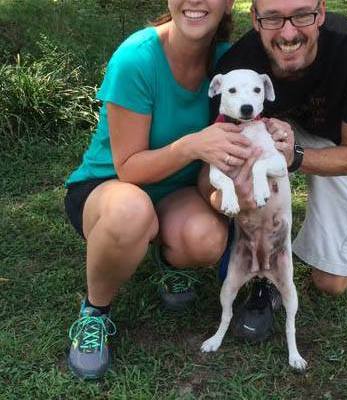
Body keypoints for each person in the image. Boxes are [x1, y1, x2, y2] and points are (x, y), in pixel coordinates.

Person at [63, 0, 258, 380]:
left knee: (205, 239)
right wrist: (192, 145)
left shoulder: (228, 64)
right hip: (110, 186)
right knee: (131, 213)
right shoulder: (137, 58)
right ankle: (95, 312)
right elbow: (129, 166)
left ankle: (167, 259)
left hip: (174, 191)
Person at [206, 0, 347, 341]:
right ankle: (265, 277)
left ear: (320, 13)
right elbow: (213, 166)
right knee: (252, 194)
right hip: (260, 131)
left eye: (303, 15)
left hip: (333, 145)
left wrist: (295, 157)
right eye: (273, 18)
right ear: (256, 19)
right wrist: (227, 195)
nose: (289, 32)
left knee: (331, 282)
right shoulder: (238, 67)